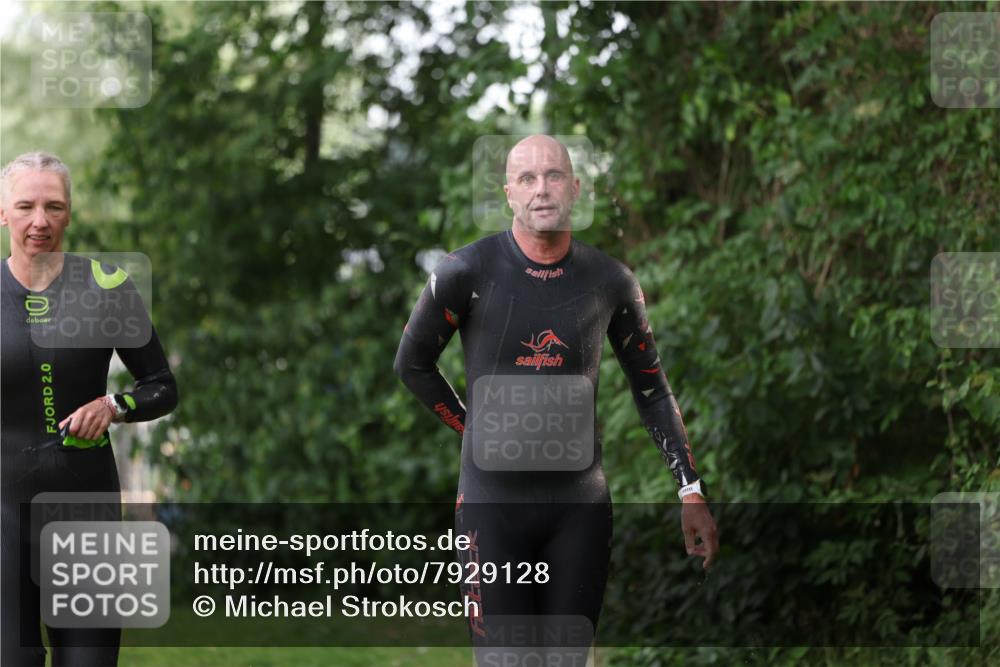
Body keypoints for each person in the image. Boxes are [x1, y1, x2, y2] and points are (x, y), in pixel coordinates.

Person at [394, 135, 719, 663]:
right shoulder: (465, 273)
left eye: (553, 176)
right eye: (527, 178)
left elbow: (652, 388)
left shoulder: (610, 281)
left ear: (575, 188)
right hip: (491, 510)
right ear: (508, 194)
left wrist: (690, 490)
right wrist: (472, 426)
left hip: (579, 513)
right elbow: (412, 365)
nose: (541, 189)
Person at [0, 152, 178, 667]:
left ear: (70, 213)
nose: (40, 221)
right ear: (3, 213)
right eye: (26, 206)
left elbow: (162, 385)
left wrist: (115, 405)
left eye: (54, 206)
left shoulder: (106, 287)